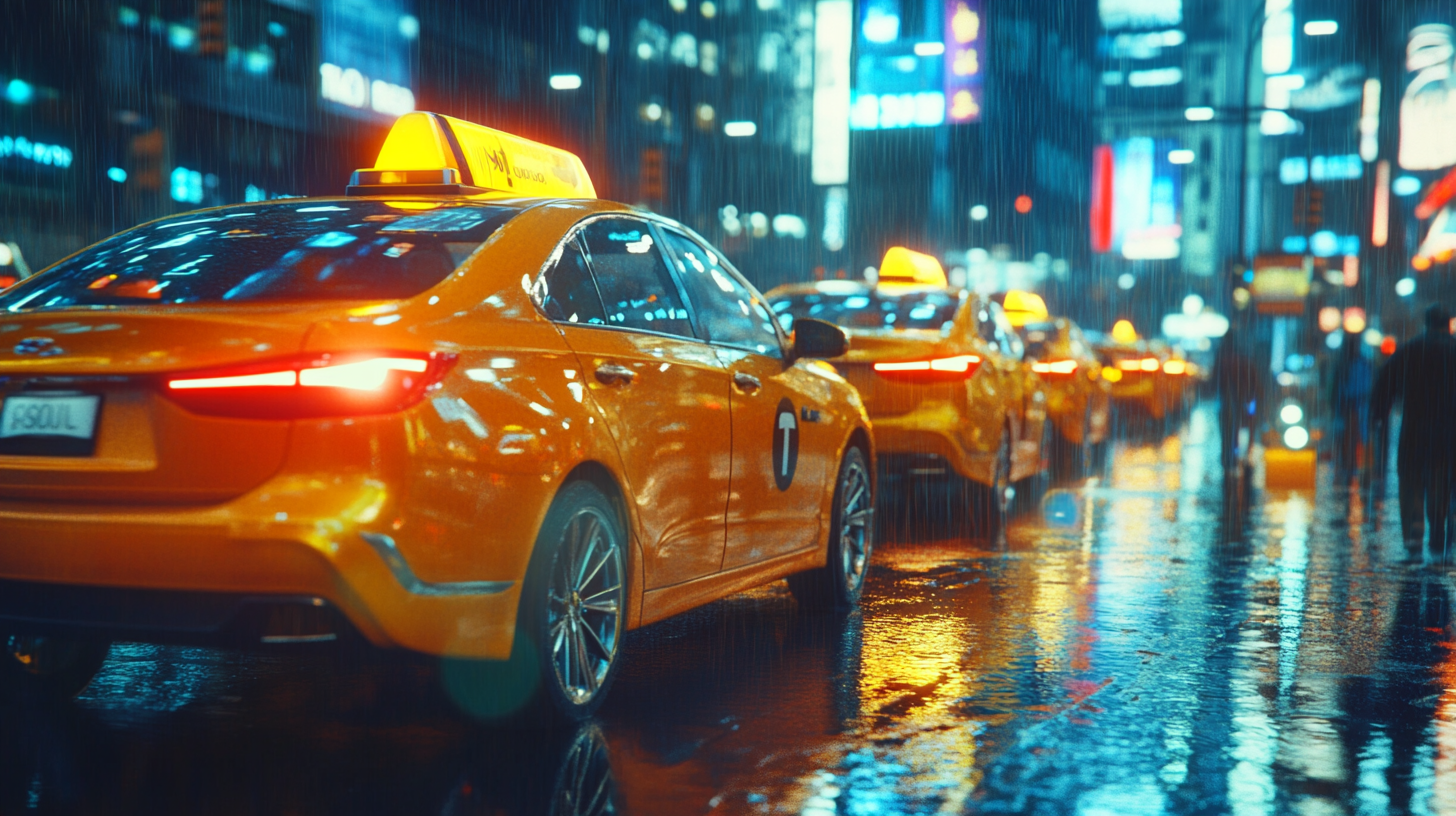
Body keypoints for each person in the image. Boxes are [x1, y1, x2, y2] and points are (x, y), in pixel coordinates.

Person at [1371, 303, 1456, 563]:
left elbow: (1385, 384)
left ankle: (1413, 538)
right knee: (1442, 481)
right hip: (1448, 432)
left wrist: (1379, 415)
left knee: (1411, 481)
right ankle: (1439, 535)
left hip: (1415, 428)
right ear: (1447, 324)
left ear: (1427, 323)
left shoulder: (1409, 350)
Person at [1213, 330, 1262, 481]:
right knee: (1246, 428)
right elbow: (1255, 383)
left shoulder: (1223, 360)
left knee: (1228, 432)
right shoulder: (1245, 361)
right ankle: (1246, 457)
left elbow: (1215, 382)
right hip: (1244, 401)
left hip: (1228, 402)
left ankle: (1230, 460)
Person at [1328, 331, 1373, 481]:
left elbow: (1366, 387)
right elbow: (1335, 388)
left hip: (1355, 406)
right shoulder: (1345, 364)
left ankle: (1352, 467)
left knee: (1355, 437)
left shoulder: (1360, 364)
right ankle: (1348, 466)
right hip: (1347, 407)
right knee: (1346, 437)